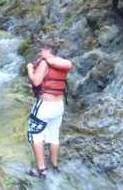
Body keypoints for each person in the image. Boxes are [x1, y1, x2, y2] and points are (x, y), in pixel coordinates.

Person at [26, 40, 73, 178]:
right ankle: (54, 166)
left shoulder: (44, 62)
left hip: (44, 106)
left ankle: (41, 170)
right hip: (59, 106)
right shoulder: (62, 64)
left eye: (41, 50)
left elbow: (36, 81)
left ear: (47, 50)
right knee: (53, 136)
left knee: (35, 135)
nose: (40, 53)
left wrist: (29, 69)